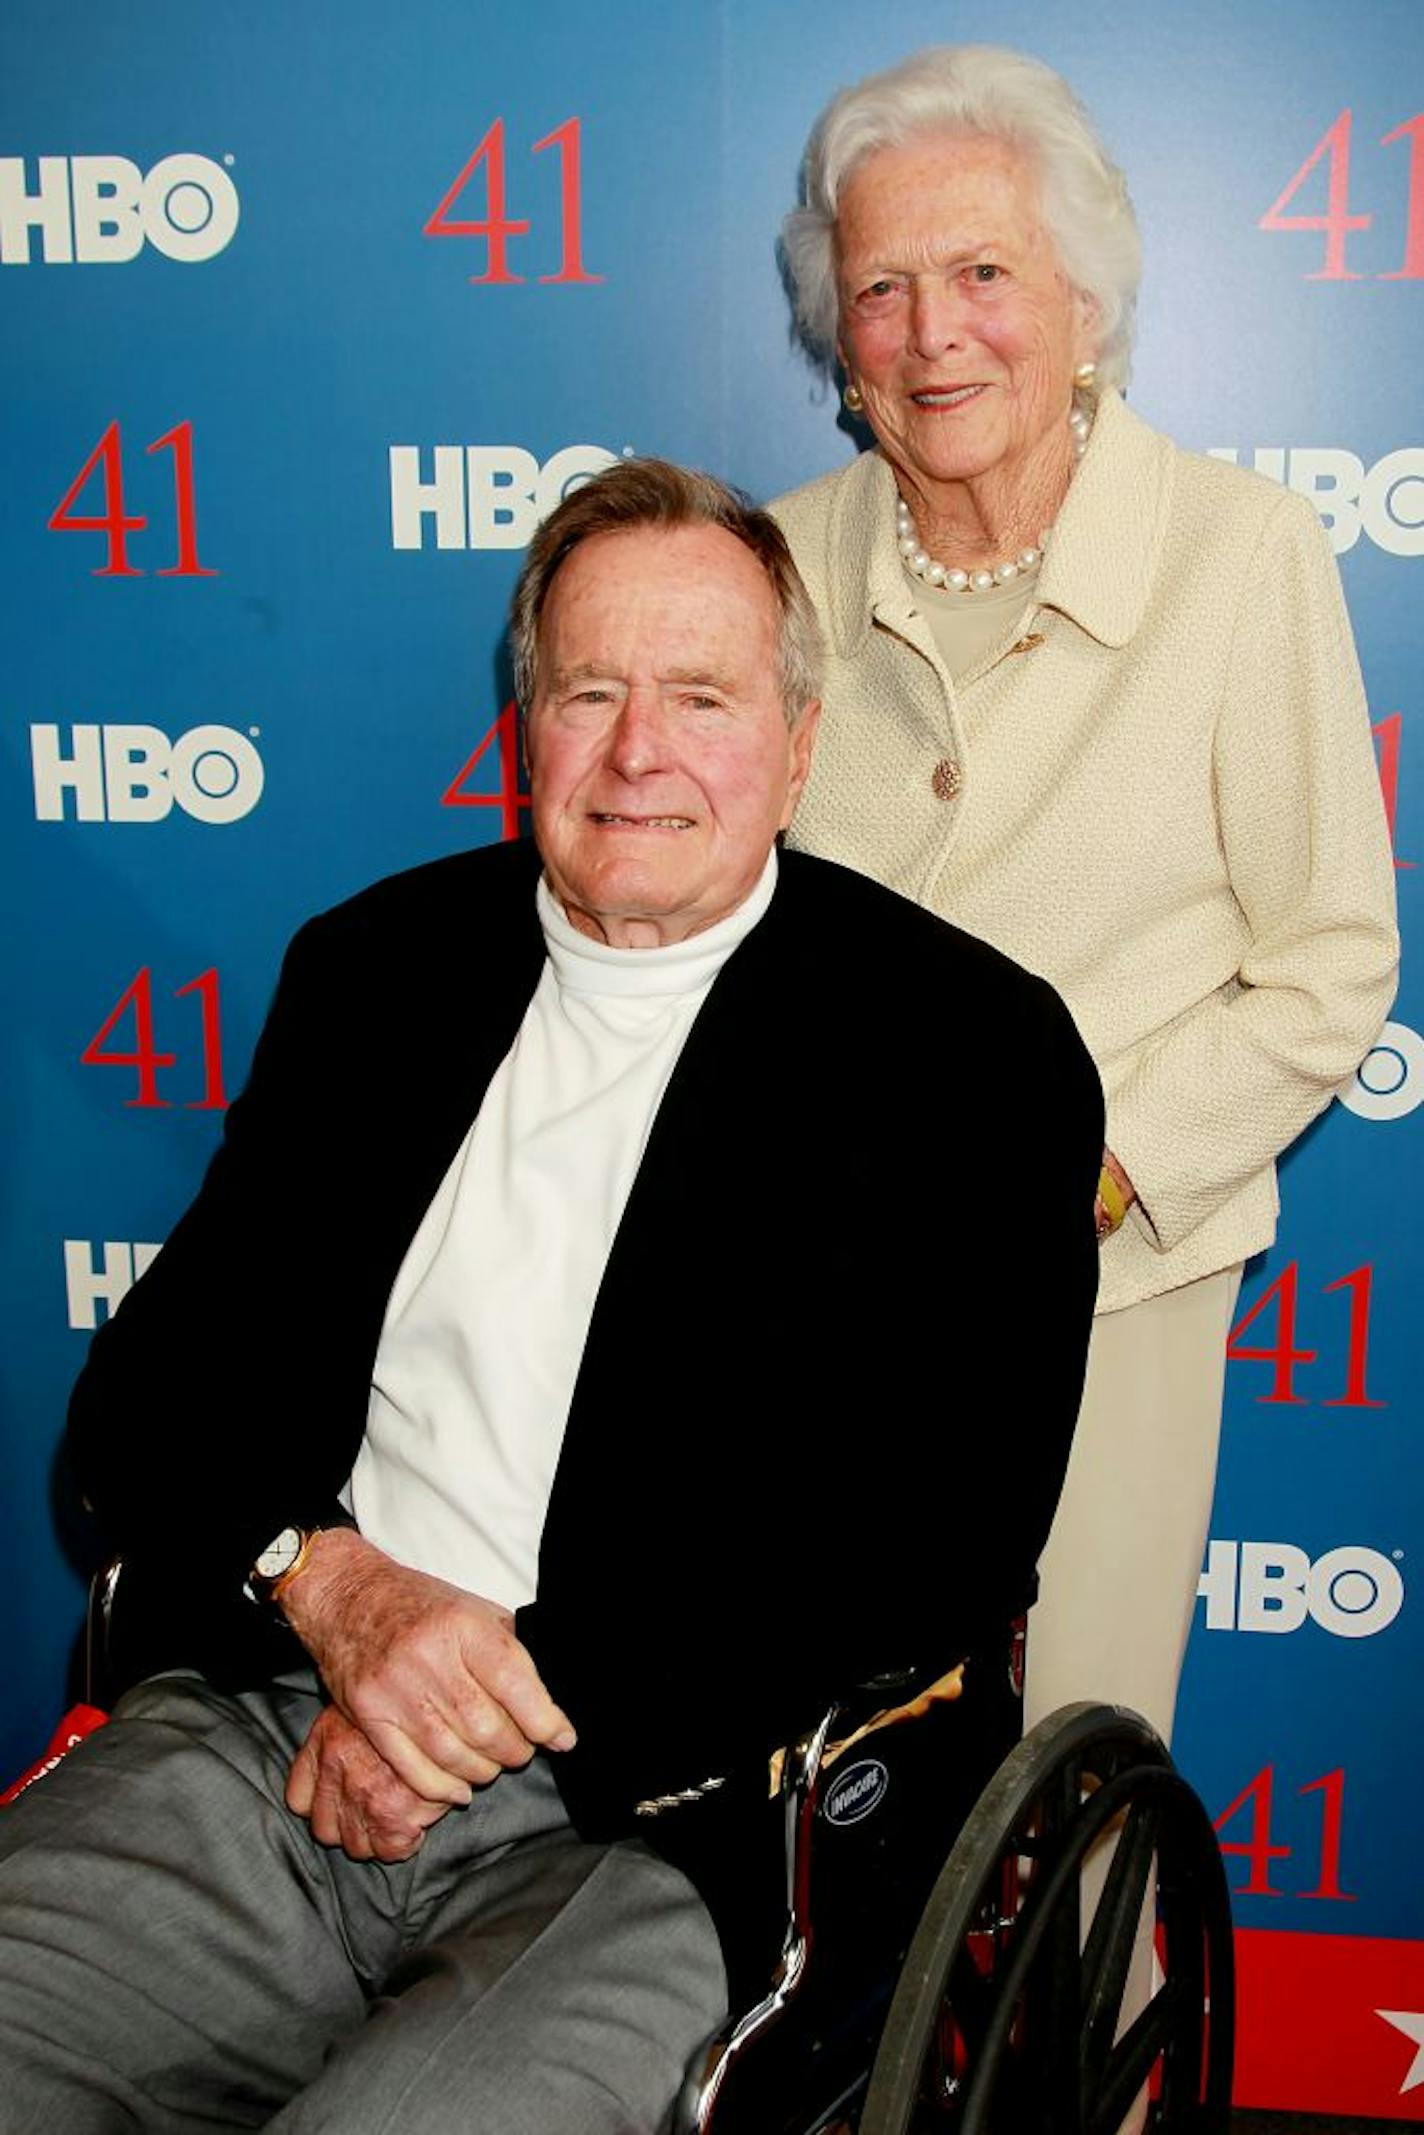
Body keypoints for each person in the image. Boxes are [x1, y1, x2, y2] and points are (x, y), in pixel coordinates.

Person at [0, 458, 1102, 2135]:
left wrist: (460, 1704)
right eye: (591, 692)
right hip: (275, 1733)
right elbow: (148, 1408)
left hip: (668, 1824)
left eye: (702, 698)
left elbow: (933, 1536)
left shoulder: (970, 1055)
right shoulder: (376, 973)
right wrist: (336, 1595)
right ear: (528, 722)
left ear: (799, 748)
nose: (639, 752)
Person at [773, 43, 1399, 1758]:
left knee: (1072, 1772)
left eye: (984, 273)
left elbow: (1331, 964)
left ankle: (1079, 2022)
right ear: (840, 337)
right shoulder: (773, 563)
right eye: (880, 287)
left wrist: (1091, 1178)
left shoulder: (1241, 551)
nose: (931, 330)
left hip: (1110, 1282)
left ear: (1087, 306)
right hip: (810, 1290)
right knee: (816, 1767)